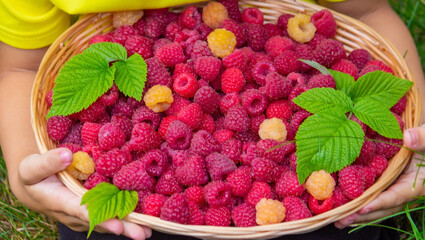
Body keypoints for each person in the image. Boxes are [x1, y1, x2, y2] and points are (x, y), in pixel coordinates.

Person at [0, 0, 424, 239]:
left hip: (320, 216)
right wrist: (26, 173)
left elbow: (366, 13)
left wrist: (417, 138)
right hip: (128, 215)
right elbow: (20, 69)